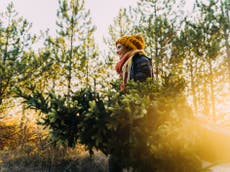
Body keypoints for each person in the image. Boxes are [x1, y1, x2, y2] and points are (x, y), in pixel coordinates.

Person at [108, 34, 152, 172]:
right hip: (126, 108)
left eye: (119, 47)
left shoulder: (140, 60)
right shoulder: (126, 64)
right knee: (116, 150)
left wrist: (131, 99)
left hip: (138, 110)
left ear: (128, 46)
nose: (117, 51)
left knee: (138, 150)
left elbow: (143, 83)